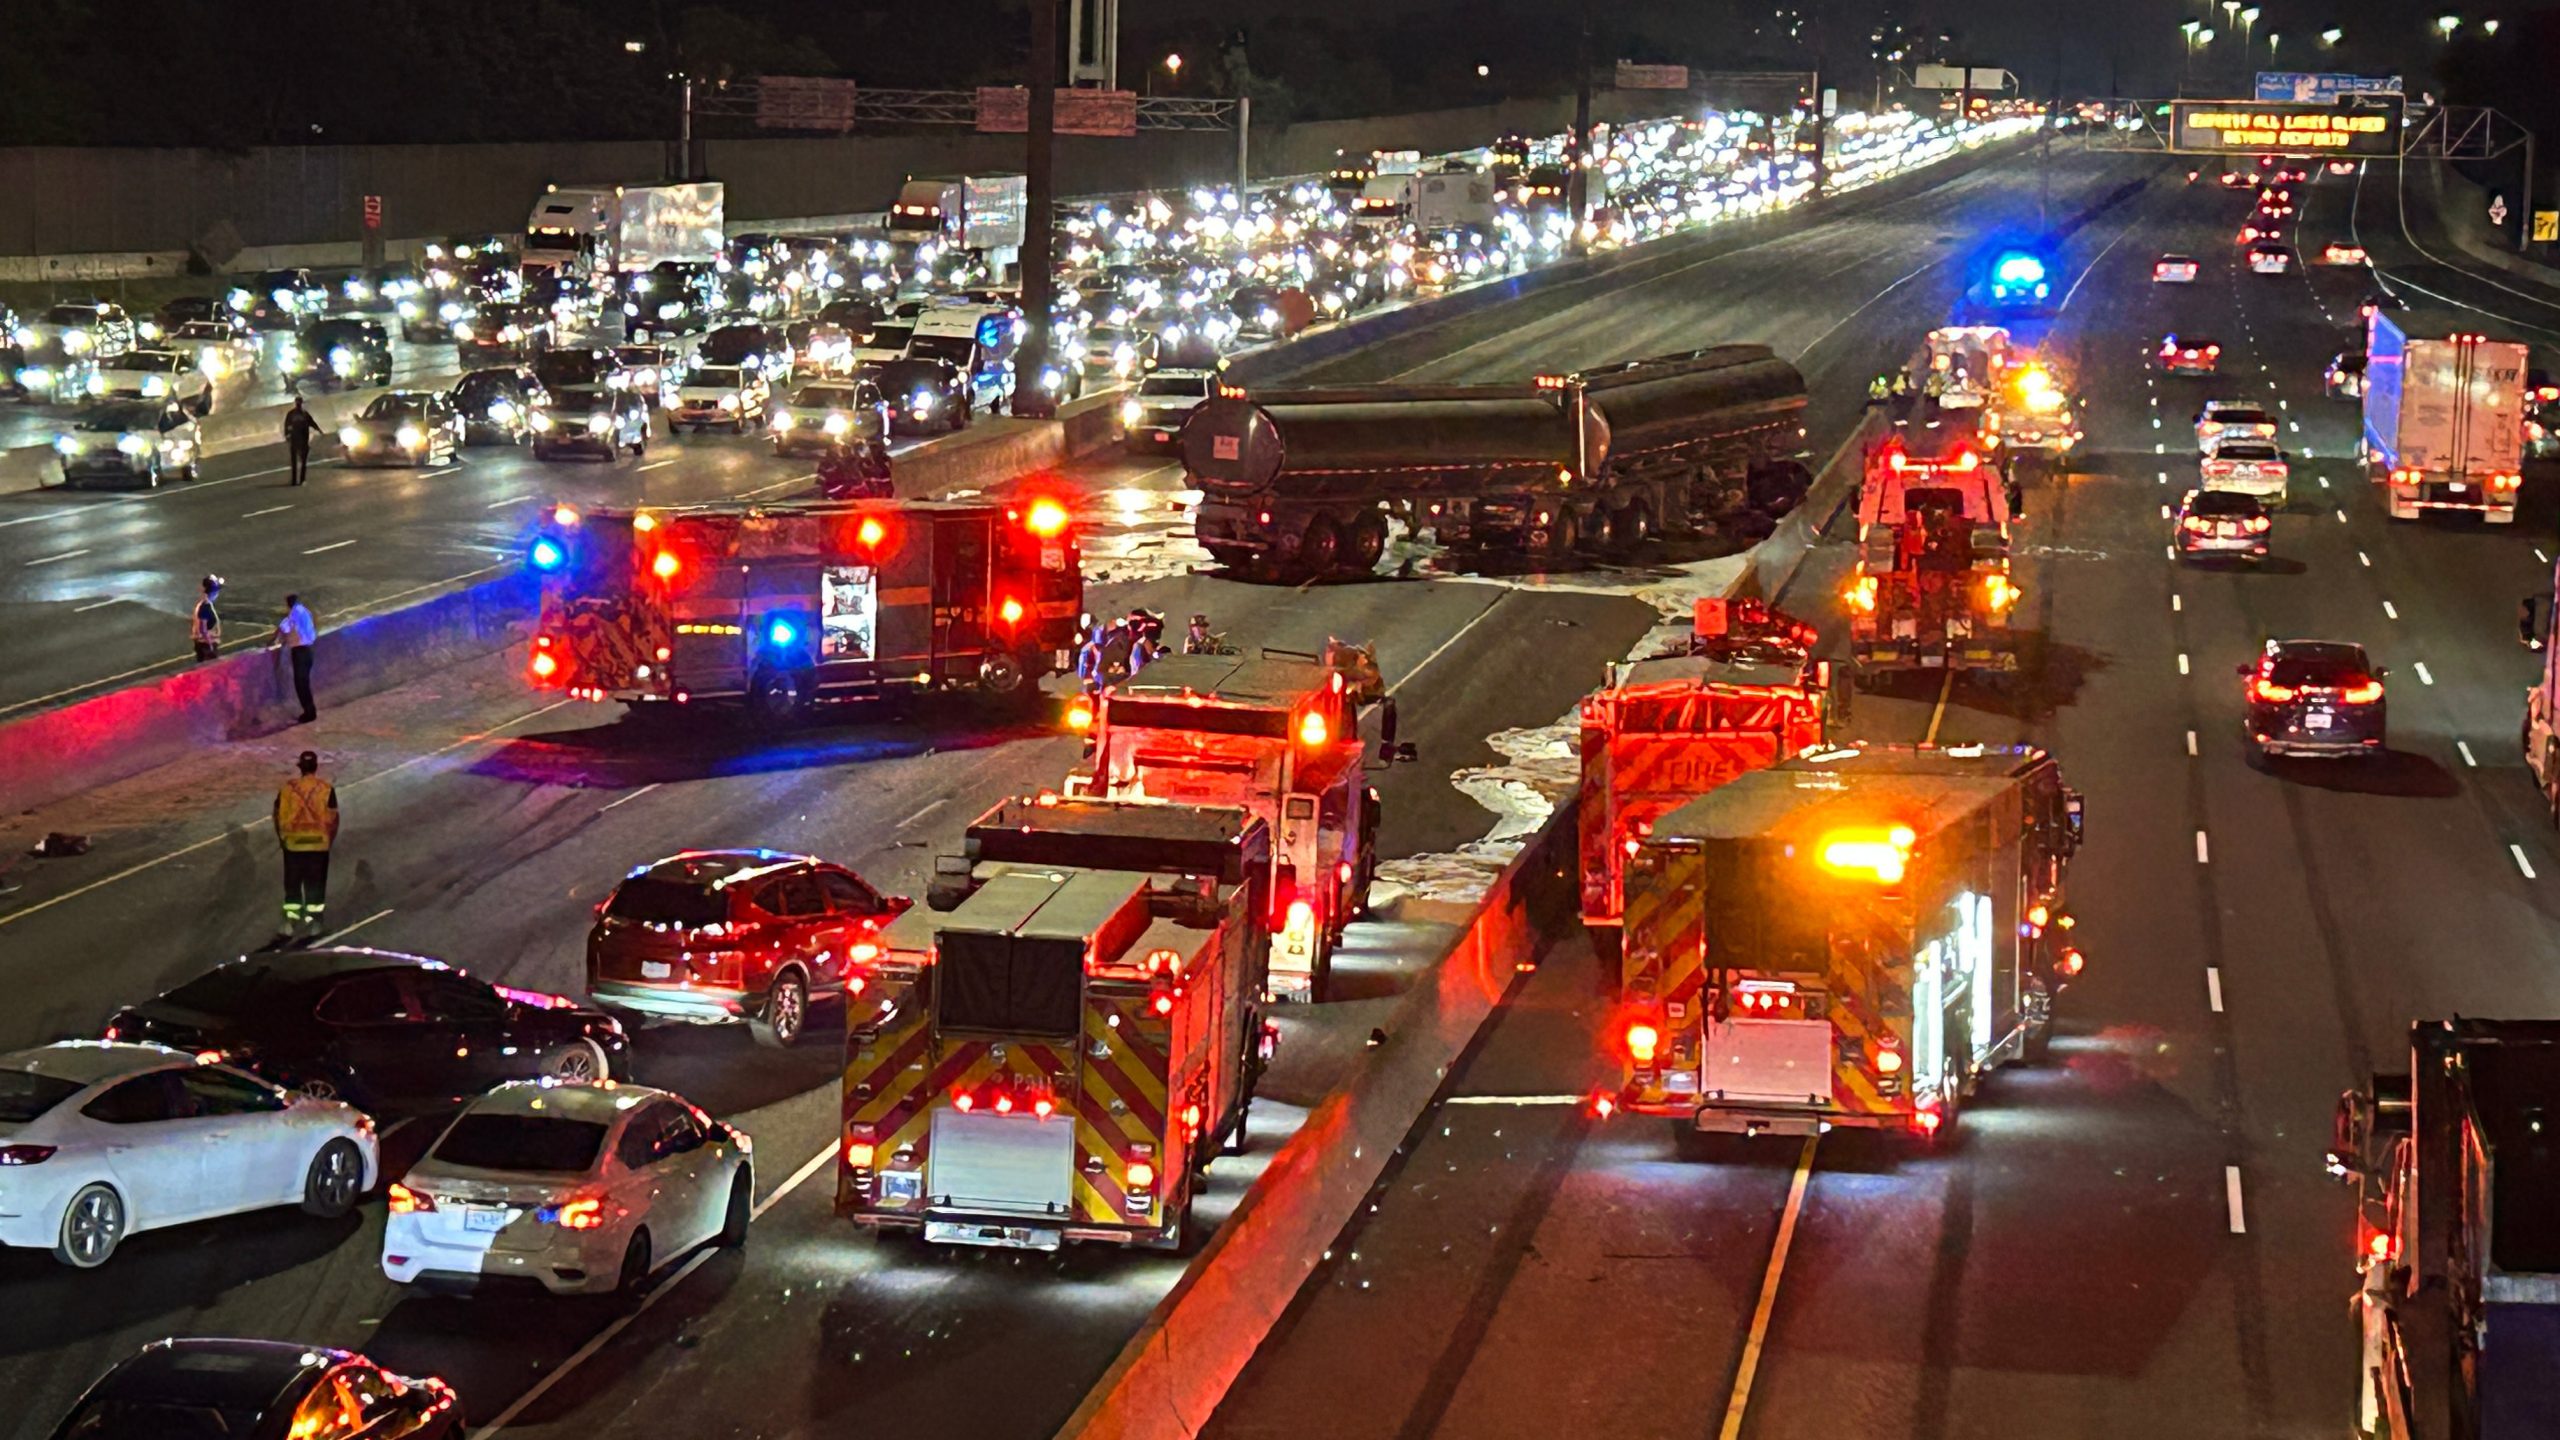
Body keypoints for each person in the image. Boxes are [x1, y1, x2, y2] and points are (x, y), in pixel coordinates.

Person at [272, 750, 339, 946]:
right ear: (316, 767)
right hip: (319, 846)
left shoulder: (287, 789)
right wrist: (329, 841)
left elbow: (277, 815)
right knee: (315, 886)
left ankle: (290, 921)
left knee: (292, 885)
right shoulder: (326, 789)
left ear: (300, 767)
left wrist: (282, 839)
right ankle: (315, 922)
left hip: (293, 845)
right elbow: (334, 819)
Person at [272, 593, 318, 722]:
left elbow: (285, 628)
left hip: (300, 652)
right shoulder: (305, 611)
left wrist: (275, 639)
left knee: (301, 684)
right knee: (305, 682)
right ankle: (310, 710)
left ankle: (309, 712)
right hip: (309, 650)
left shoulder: (293, 614)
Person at [282, 398, 321, 485]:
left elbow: (312, 423)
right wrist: (287, 435)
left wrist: (318, 429)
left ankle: (300, 480)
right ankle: (296, 480)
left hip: (302, 440)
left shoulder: (303, 414)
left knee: (302, 461)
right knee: (296, 461)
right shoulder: (294, 414)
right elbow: (287, 425)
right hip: (296, 440)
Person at [190, 574, 224, 663]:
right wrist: (210, 646)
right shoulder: (205, 607)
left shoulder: (204, 604)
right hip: (206, 646)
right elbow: (203, 629)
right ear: (214, 592)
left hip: (204, 645)